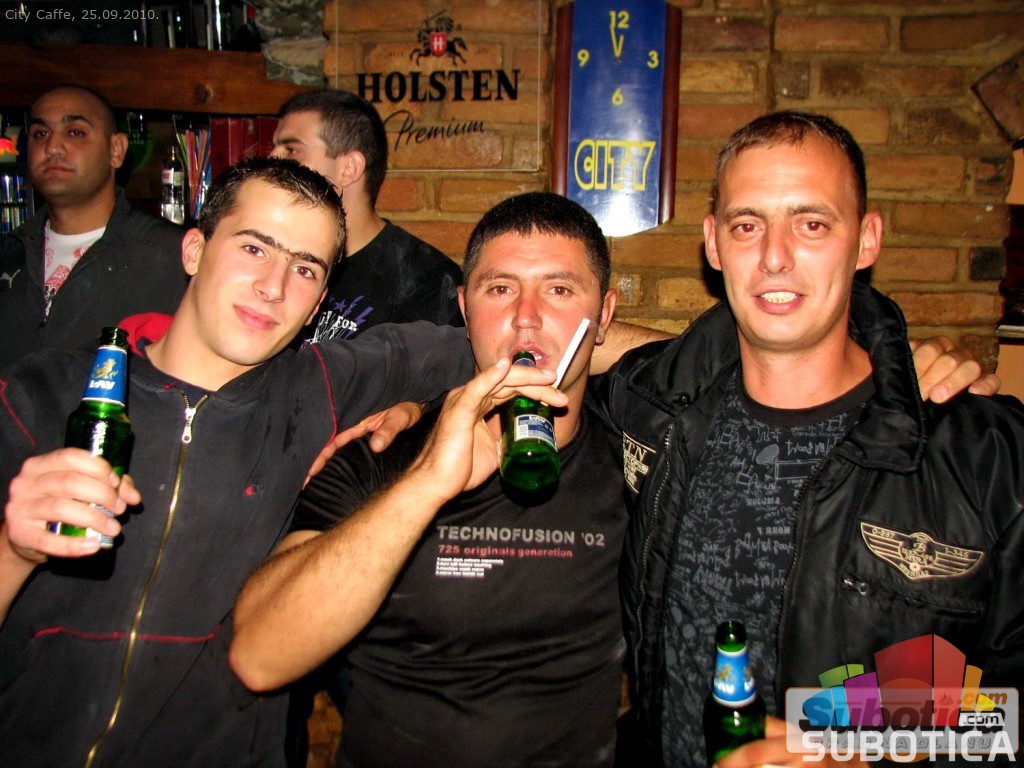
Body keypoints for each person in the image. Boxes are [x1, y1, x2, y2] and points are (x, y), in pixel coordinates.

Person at [0, 156, 482, 768]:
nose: (273, 287)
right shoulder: (44, 393)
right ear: (194, 250)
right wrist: (13, 551)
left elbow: (514, 337)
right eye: (254, 249)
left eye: (304, 268)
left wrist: (419, 405)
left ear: (319, 303)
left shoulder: (320, 391)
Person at [593, 111, 1024, 767]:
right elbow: (549, 345)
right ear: (713, 244)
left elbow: (1007, 710)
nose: (774, 256)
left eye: (811, 224)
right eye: (747, 225)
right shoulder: (652, 411)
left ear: (867, 239)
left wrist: (855, 740)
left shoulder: (987, 458)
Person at [230, 191, 627, 768]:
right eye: (500, 289)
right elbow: (259, 656)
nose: (527, 316)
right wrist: (426, 484)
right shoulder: (383, 452)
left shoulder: (638, 464)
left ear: (605, 315)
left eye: (559, 290)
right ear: (464, 309)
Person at [0, 84, 186, 371]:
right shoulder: (10, 253)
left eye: (75, 132)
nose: (52, 147)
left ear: (116, 150)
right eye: (40, 133)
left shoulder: (174, 259)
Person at [270, 89, 463, 342]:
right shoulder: (271, 260)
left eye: (292, 149)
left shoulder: (428, 280)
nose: (272, 158)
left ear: (349, 168)